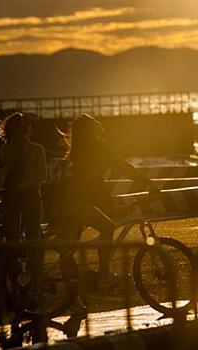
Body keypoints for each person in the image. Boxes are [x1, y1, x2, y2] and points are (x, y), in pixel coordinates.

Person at [59, 113, 159, 286]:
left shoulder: (80, 149)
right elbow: (122, 167)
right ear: (91, 130)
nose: (99, 125)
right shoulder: (98, 147)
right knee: (107, 227)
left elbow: (92, 180)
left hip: (74, 198)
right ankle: (104, 275)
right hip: (79, 201)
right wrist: (148, 183)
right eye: (95, 124)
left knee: (73, 243)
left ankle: (80, 278)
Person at [0, 112, 47, 242]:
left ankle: (34, 261)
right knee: (12, 235)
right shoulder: (5, 148)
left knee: (33, 234)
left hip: (30, 194)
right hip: (10, 195)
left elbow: (42, 174)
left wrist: (20, 186)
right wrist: (16, 140)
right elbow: (7, 158)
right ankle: (14, 261)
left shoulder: (37, 149)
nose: (25, 128)